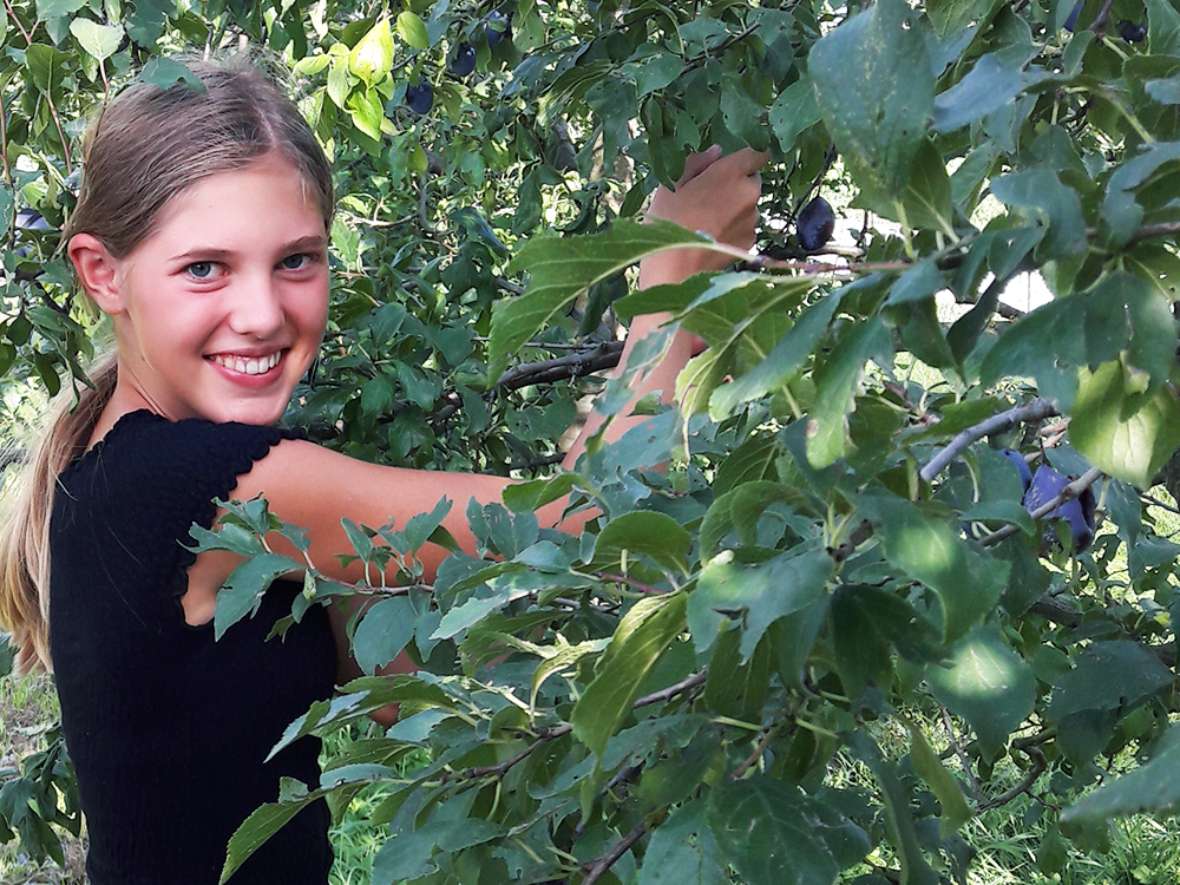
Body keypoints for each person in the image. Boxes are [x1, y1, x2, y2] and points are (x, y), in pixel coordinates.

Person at [0, 54, 766, 884]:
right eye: (204, 267)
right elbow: (601, 515)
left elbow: (401, 686)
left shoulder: (116, 461)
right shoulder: (204, 483)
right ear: (102, 273)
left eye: (296, 259)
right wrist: (675, 260)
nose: (261, 314)